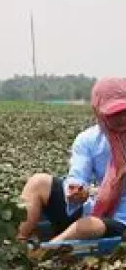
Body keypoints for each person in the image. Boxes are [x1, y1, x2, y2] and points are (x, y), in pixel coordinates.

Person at [18, 77, 126, 242]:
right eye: (114, 114)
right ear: (97, 112)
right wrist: (75, 191)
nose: (122, 119)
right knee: (38, 183)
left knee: (87, 227)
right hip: (95, 209)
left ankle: (42, 253)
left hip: (120, 220)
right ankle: (16, 244)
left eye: (124, 112)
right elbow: (77, 176)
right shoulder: (88, 140)